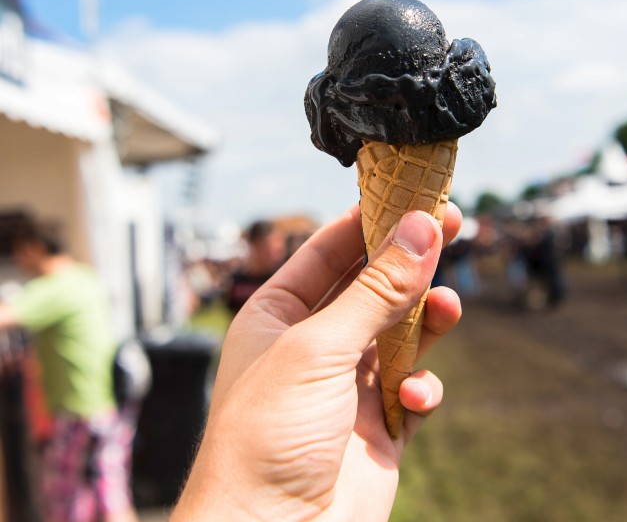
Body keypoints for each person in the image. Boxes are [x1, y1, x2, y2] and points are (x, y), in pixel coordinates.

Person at [172, 204, 463, 521]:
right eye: (269, 246)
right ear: (254, 246)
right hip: (255, 366)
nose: (275, 251)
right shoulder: (240, 279)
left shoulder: (281, 272)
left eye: (277, 246)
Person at [0, 220, 137, 522]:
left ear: (35, 248)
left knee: (64, 499)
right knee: (111, 494)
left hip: (76, 409)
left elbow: (7, 316)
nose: (18, 262)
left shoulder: (53, 286)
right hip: (106, 401)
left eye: (18, 253)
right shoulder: (84, 277)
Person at [224, 220, 288, 315]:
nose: (277, 256)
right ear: (255, 244)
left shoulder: (281, 279)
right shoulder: (237, 280)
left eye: (279, 250)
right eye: (271, 249)